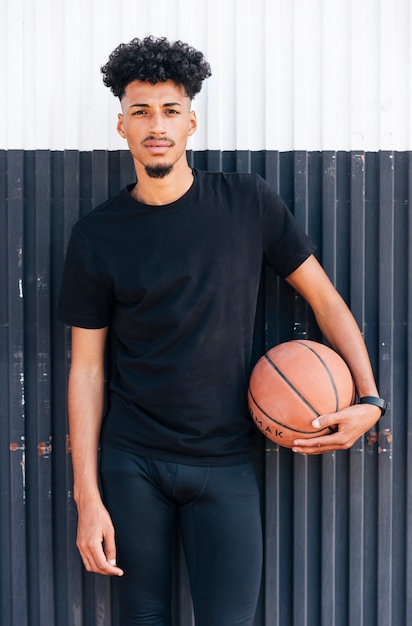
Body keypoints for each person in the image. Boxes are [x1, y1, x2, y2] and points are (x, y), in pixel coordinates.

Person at [57, 35, 385, 626]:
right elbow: (86, 368)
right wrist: (88, 499)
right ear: (121, 126)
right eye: (141, 112)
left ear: (191, 122)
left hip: (226, 459)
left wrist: (370, 400)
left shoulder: (248, 203)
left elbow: (325, 301)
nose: (156, 125)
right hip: (133, 463)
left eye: (169, 110)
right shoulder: (96, 236)